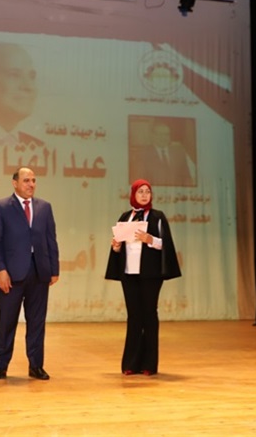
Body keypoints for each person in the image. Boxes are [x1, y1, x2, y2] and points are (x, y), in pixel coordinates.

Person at [0, 166, 60, 381]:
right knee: (7, 321)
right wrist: (0, 270)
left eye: (34, 180)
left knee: (37, 322)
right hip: (11, 274)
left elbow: (51, 239)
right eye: (26, 180)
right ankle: (0, 366)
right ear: (15, 183)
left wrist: (54, 269)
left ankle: (36, 365)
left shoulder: (44, 207)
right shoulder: (1, 207)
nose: (31, 184)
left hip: (39, 272)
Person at [105, 179, 181, 375]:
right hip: (129, 274)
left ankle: (149, 364)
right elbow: (119, 246)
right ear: (133, 194)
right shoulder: (125, 217)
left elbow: (166, 244)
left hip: (150, 275)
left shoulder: (157, 217)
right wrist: (116, 247)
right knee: (133, 317)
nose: (144, 195)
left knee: (149, 315)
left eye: (147, 191)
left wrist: (150, 239)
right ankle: (131, 364)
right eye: (140, 192)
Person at [138, 122, 196, 186]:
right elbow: (140, 179)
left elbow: (186, 177)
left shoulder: (179, 153)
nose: (163, 137)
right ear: (152, 136)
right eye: (159, 134)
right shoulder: (143, 154)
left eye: (166, 134)